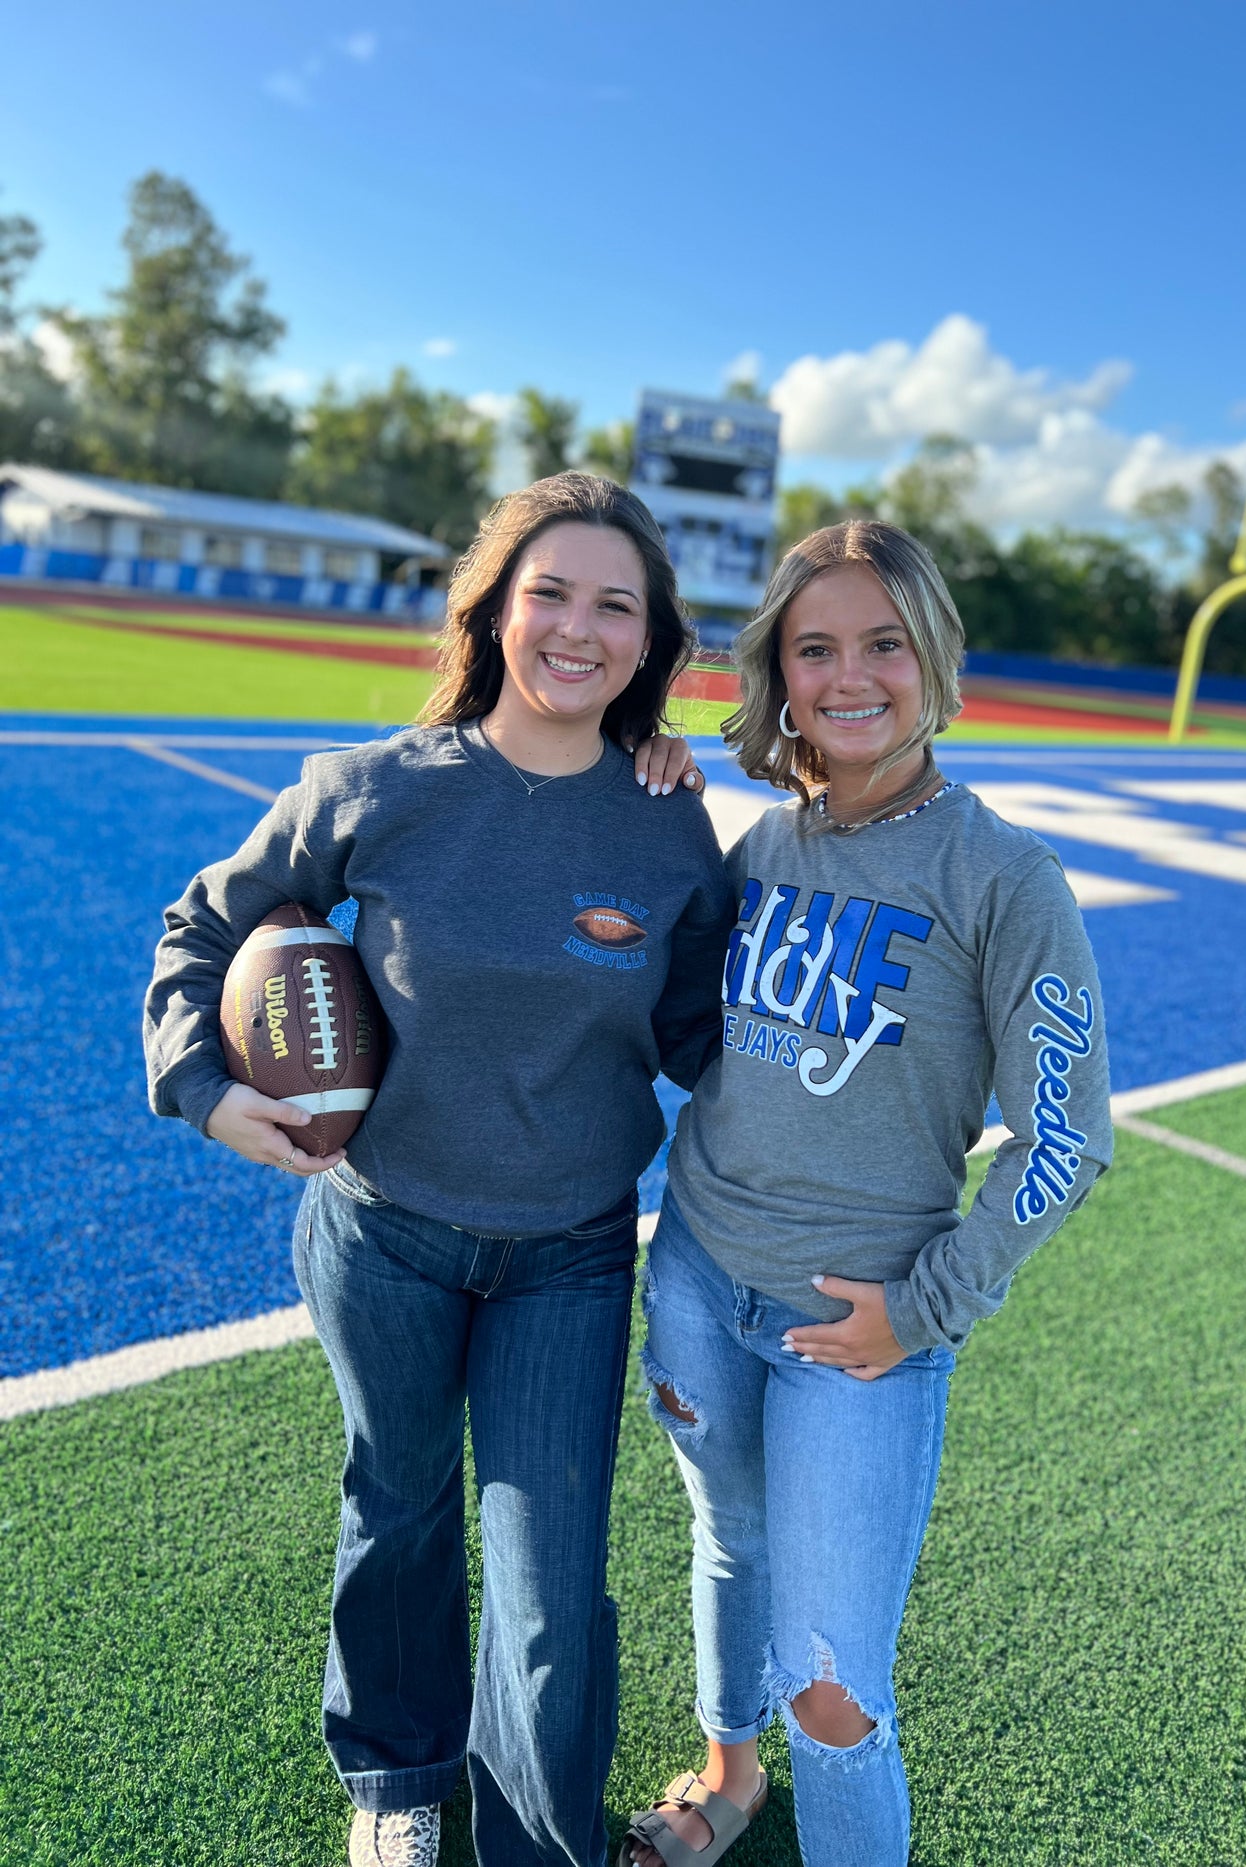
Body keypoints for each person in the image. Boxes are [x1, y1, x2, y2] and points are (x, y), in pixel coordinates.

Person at [143, 473, 734, 1867]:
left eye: (615, 606)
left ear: (649, 642)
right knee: (397, 1508)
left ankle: (540, 1847)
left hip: (571, 1256)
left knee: (550, 1583)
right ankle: (399, 1779)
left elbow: (702, 1033)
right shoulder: (376, 789)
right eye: (550, 594)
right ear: (493, 610)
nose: (577, 630)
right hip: (384, 1236)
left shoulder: (667, 825)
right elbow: (200, 927)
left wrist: (865, 1107)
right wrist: (203, 1085)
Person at [620, 520, 1113, 1867]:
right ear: (779, 673)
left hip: (859, 1334)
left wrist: (925, 1310)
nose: (851, 675)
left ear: (932, 656)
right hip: (698, 1280)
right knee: (728, 1545)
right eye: (814, 646)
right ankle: (726, 1781)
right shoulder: (763, 849)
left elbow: (1066, 1139)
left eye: (882, 643)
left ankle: (794, 1774)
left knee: (834, 1689)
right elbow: (696, 1034)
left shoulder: (1003, 876)